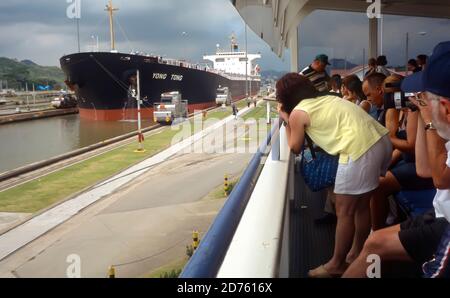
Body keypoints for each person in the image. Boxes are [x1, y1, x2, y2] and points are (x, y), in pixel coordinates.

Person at [343, 41, 450, 278]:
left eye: (424, 97)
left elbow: (441, 179)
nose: (412, 99)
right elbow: (424, 169)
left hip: (447, 227)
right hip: (440, 212)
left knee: (376, 245)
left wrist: (429, 119)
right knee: (374, 242)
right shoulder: (441, 126)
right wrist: (423, 116)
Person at [276, 73, 392, 278]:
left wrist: (285, 119)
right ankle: (356, 253)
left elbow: (294, 147)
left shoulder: (298, 112)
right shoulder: (328, 98)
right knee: (362, 206)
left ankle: (336, 264)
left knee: (345, 210)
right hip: (380, 141)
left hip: (359, 149)